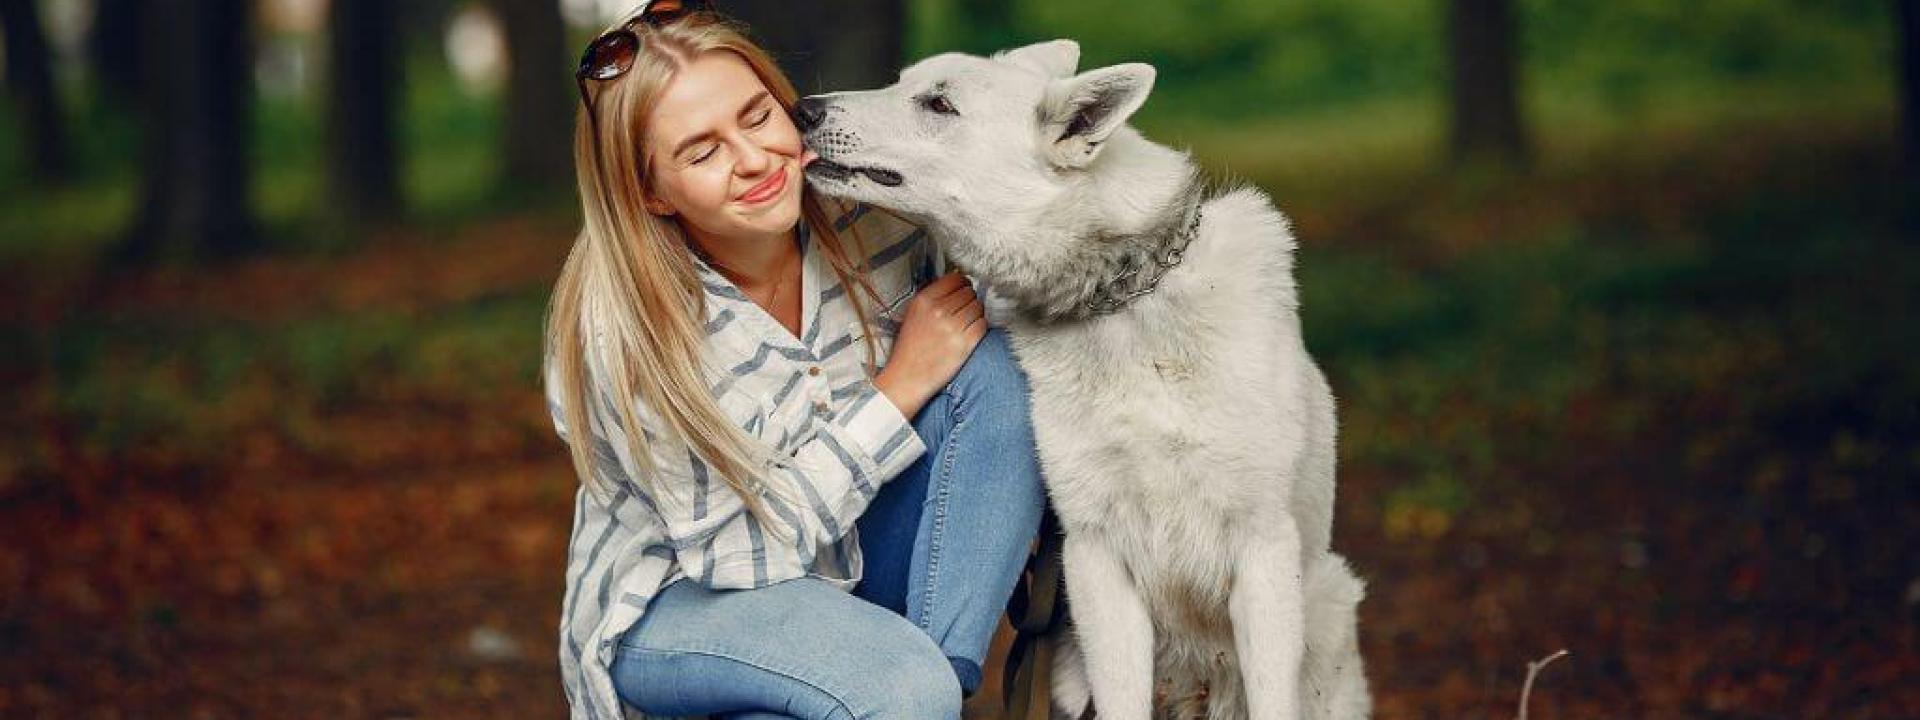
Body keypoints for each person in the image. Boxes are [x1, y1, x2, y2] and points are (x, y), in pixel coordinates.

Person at [540, 3, 1048, 719]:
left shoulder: (876, 219)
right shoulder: (625, 328)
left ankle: (924, 692)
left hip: (852, 554)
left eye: (756, 116)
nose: (753, 160)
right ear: (650, 192)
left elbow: (1024, 301)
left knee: (990, 371)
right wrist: (896, 390)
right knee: (896, 688)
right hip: (683, 598)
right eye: (702, 151)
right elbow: (730, 557)